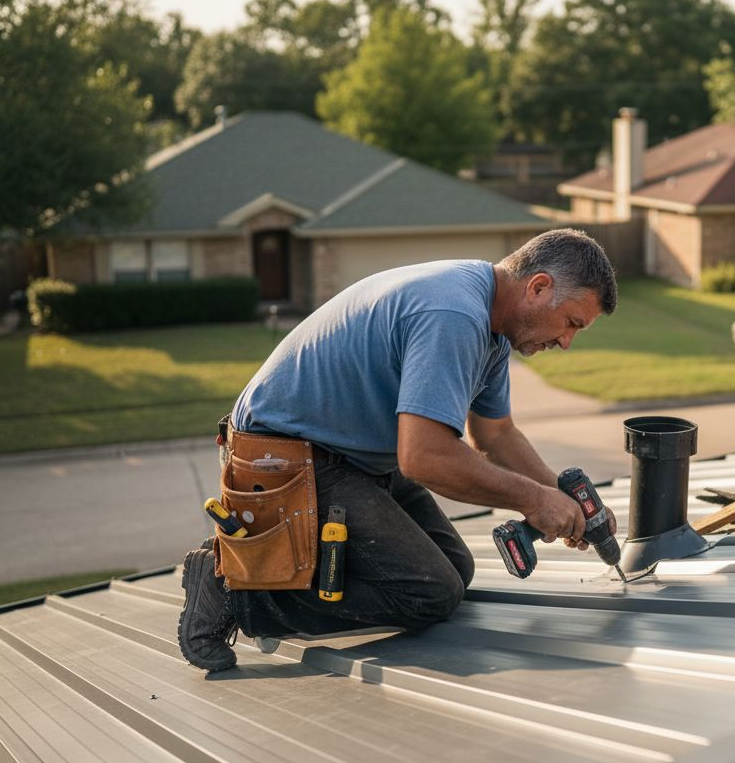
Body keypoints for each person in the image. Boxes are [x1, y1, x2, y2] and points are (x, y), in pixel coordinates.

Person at [178, 229, 618, 671]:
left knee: (453, 569)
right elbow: (424, 458)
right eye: (572, 323)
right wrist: (534, 500)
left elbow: (495, 434)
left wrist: (570, 505)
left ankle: (286, 569)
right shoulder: (453, 313)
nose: (566, 342)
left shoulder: (494, 327)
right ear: (538, 287)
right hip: (289, 459)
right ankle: (232, 592)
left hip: (353, 455)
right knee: (429, 592)